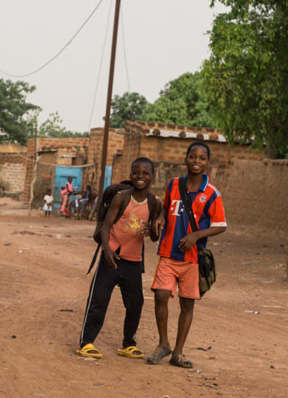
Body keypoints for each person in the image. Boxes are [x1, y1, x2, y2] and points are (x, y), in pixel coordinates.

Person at [146, 141, 226, 368]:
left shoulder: (211, 194)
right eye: (193, 156)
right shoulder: (174, 184)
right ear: (186, 158)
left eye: (202, 158)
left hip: (192, 258)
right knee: (161, 295)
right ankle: (163, 343)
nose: (196, 161)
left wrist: (196, 236)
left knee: (187, 304)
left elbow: (221, 225)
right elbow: (166, 208)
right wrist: (160, 219)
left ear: (207, 163)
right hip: (168, 252)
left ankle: (178, 353)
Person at [77, 158, 161, 359]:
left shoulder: (154, 203)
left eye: (145, 173)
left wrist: (152, 230)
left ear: (152, 176)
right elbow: (106, 226)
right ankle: (86, 342)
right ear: (131, 175)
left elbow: (154, 236)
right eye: (136, 172)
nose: (140, 176)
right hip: (112, 257)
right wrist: (106, 249)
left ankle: (128, 344)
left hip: (133, 261)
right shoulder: (121, 198)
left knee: (136, 303)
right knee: (98, 300)